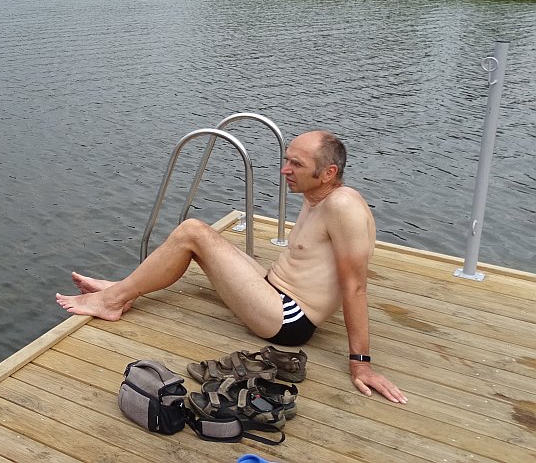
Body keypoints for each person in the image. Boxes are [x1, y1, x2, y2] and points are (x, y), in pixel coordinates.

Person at [55, 130, 407, 403]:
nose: (285, 170)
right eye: (287, 160)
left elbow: (355, 286)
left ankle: (112, 301)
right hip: (275, 290)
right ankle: (122, 291)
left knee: (192, 233)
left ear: (328, 172)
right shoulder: (318, 195)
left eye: (296, 165)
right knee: (199, 234)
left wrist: (360, 362)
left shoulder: (343, 206)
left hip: (289, 319)